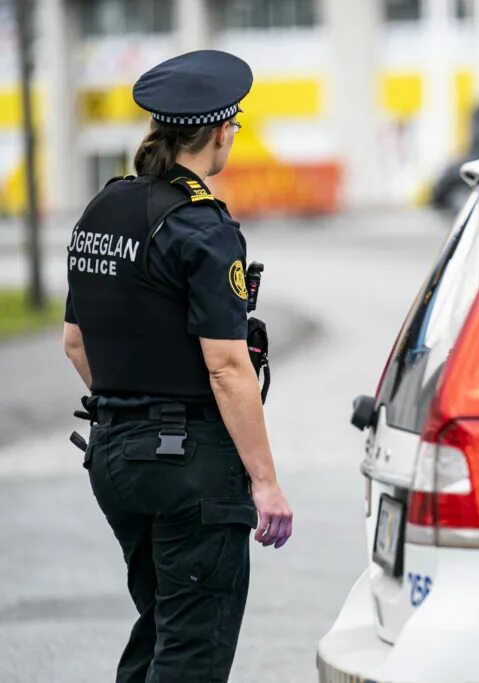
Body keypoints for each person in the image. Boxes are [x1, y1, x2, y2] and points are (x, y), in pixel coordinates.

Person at [61, 50, 293, 683]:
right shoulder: (203, 226)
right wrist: (265, 482)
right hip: (190, 471)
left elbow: (76, 344)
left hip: (114, 458)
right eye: (234, 127)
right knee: (192, 652)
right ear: (219, 133)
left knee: (162, 629)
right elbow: (227, 367)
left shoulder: (102, 210)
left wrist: (135, 413)